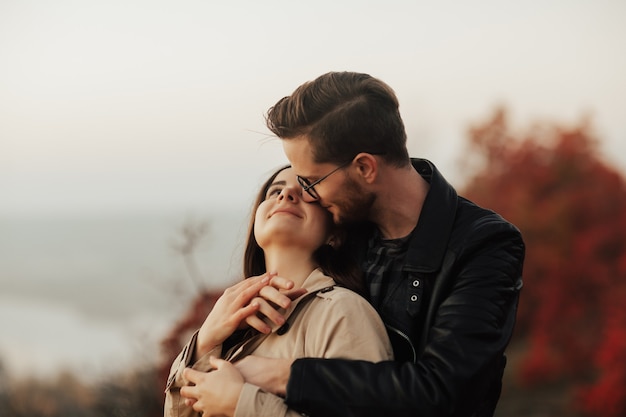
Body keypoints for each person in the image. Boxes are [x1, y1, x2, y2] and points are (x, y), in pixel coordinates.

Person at [185, 71, 526, 417]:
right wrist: (212, 336)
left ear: (365, 168)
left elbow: (443, 392)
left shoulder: (483, 244)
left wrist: (283, 374)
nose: (304, 194)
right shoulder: (343, 231)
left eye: (313, 180)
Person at [163, 165, 394, 417]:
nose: (286, 195)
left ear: (335, 234)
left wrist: (242, 404)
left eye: (306, 191)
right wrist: (206, 339)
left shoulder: (342, 311)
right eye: (275, 191)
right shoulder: (235, 325)